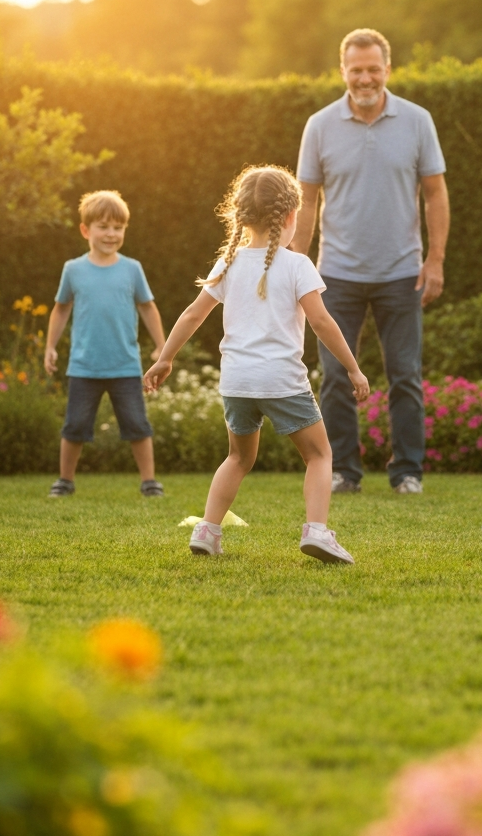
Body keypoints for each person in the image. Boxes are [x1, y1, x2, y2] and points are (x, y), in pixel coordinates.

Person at [143, 166, 370, 563]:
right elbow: (321, 322)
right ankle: (317, 531)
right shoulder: (298, 265)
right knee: (318, 455)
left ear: (241, 216)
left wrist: (165, 358)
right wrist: (353, 367)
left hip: (237, 382)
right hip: (282, 381)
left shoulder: (228, 263)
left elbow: (193, 315)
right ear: (289, 217)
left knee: (238, 458)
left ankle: (208, 530)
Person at [292, 28, 449, 496]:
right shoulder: (319, 125)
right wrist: (295, 266)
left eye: (373, 69)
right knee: (336, 376)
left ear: (387, 70)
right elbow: (306, 198)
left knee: (406, 377)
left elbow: (436, 193)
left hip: (402, 274)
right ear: (343, 71)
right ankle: (343, 471)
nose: (365, 78)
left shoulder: (417, 121)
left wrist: (435, 260)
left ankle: (407, 473)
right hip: (335, 276)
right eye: (356, 70)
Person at [44, 189, 166, 498]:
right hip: (84, 367)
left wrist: (162, 347)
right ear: (86, 230)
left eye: (118, 227)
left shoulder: (132, 269)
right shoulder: (73, 269)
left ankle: (149, 482)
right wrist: (50, 347)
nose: (111, 233)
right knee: (74, 427)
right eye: (103, 226)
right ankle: (65, 481)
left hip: (125, 365)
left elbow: (148, 307)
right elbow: (61, 309)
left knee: (138, 425)